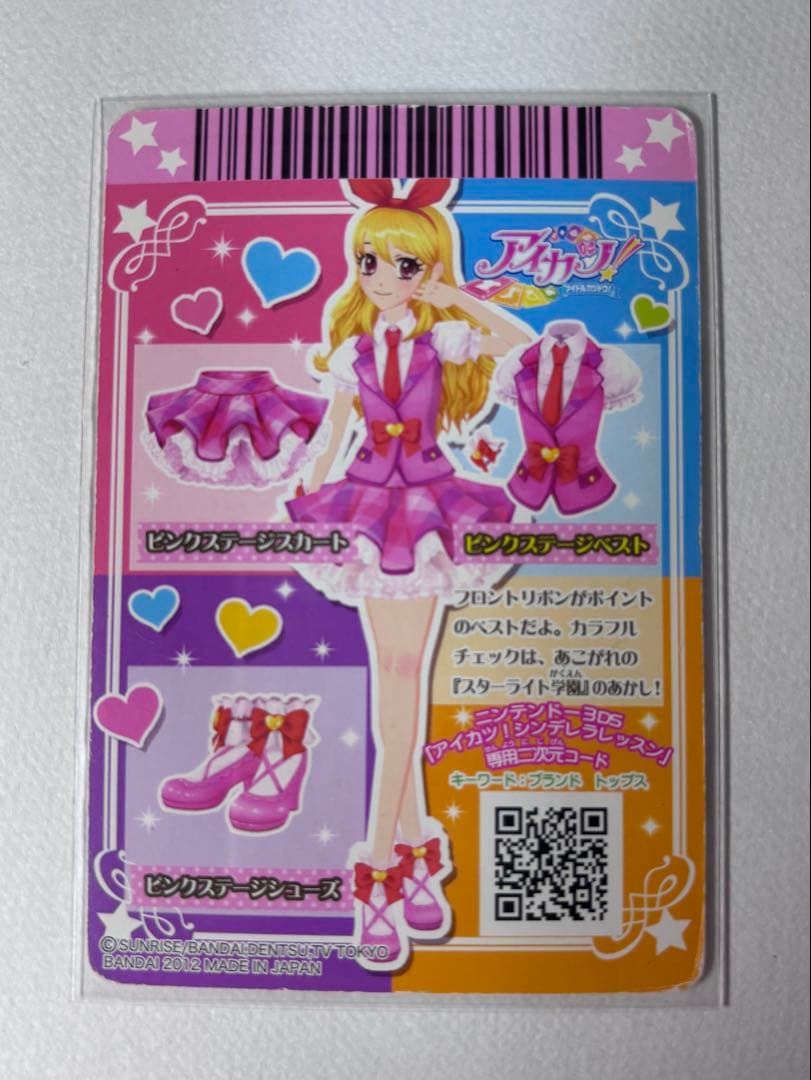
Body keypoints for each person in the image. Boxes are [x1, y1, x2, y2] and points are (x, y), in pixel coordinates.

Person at [287, 178, 532, 970]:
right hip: (364, 509)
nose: (382, 277)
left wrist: (452, 294)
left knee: (401, 679)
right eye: (369, 260)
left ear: (425, 269)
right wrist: (306, 493)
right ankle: (418, 854)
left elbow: (516, 345)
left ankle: (378, 871)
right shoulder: (352, 351)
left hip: (427, 511)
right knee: (394, 679)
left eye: (402, 263)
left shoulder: (444, 341)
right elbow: (333, 428)